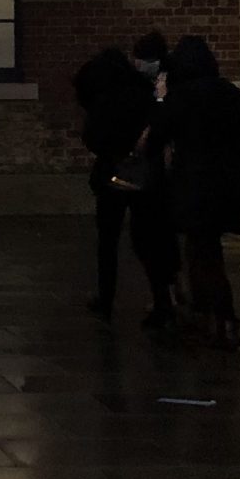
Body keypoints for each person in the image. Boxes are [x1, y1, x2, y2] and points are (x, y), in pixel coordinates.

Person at [152, 35, 240, 353]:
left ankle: (220, 316)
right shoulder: (234, 95)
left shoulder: (181, 97)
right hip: (231, 183)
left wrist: (161, 101)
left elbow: (158, 135)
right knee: (209, 249)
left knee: (203, 251)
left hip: (194, 183)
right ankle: (213, 315)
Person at [74, 34, 176, 325]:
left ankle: (106, 298)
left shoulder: (104, 99)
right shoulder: (144, 93)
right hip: (146, 175)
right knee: (148, 240)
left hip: (111, 174)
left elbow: (91, 136)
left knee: (107, 240)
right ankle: (161, 300)